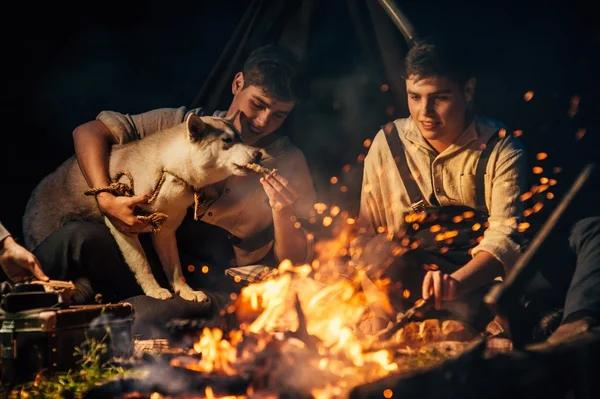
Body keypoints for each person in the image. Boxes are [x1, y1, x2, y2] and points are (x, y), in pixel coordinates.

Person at [31, 44, 317, 309]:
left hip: (218, 284)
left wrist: (283, 210)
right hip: (154, 263)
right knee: (76, 238)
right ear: (237, 83)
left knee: (142, 317)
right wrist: (105, 197)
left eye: (279, 115)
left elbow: (294, 262)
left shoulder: (288, 162)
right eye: (258, 104)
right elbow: (88, 132)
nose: (263, 122)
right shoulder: (180, 125)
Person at [353, 35, 528, 332]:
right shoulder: (388, 144)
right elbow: (366, 237)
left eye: (439, 98)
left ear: (468, 90)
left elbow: (506, 238)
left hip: (478, 287)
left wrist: (453, 284)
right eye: (415, 97)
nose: (425, 112)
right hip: (411, 286)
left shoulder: (500, 148)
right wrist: (378, 309)